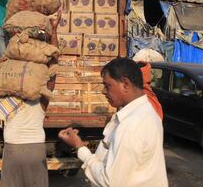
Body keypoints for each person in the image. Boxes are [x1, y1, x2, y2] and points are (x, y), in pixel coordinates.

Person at [58, 57, 168, 187]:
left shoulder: (132, 124)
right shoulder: (144, 111)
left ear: (125, 84)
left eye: (107, 85)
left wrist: (80, 147)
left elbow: (109, 181)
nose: (103, 91)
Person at [0, 12, 60, 187]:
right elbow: (54, 63)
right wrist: (54, 30)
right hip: (36, 149)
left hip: (12, 148)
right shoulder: (42, 98)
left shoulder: (6, 97)